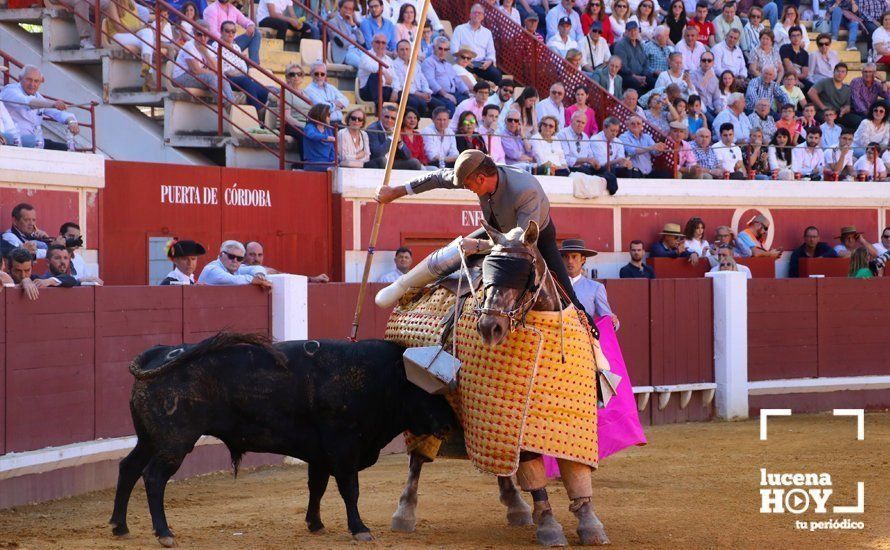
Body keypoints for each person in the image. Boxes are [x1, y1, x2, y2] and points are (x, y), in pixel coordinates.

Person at [374, 149, 594, 319]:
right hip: (498, 229)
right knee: (458, 248)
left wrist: (480, 246)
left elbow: (521, 243)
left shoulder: (526, 190)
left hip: (533, 236)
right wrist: (395, 192)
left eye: (469, 185)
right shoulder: (475, 171)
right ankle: (402, 285)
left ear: (480, 179)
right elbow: (438, 177)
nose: (467, 188)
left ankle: (594, 344)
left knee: (568, 295)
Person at [0, 65, 79, 151]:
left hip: (35, 143)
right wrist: (53, 104)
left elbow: (59, 113)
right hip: (15, 142)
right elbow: (28, 102)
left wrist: (72, 122)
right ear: (20, 78)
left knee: (66, 149)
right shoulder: (10, 90)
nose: (32, 84)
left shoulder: (39, 97)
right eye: (29, 80)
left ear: (41, 82)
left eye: (36, 81)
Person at [171, 20, 236, 105]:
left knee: (221, 76)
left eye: (205, 35)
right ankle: (225, 104)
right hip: (181, 77)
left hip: (197, 76)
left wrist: (205, 52)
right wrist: (214, 73)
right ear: (194, 34)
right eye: (199, 34)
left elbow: (217, 68)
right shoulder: (189, 45)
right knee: (212, 77)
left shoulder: (208, 48)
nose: (203, 38)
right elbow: (195, 70)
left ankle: (233, 104)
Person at [560, 239, 619, 330]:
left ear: (583, 259)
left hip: (584, 340)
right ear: (561, 259)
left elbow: (607, 318)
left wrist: (614, 322)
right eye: (566, 257)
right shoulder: (554, 284)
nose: (570, 261)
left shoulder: (595, 287)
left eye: (574, 256)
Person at [219, 21, 270, 123]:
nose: (231, 34)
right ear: (221, 32)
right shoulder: (216, 46)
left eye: (233, 31)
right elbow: (222, 69)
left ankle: (260, 121)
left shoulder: (236, 47)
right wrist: (236, 71)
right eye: (227, 31)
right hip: (228, 79)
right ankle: (258, 114)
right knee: (246, 80)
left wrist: (238, 70)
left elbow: (243, 67)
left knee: (264, 91)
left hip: (241, 77)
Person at [451, 3, 503, 84]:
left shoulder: (487, 33)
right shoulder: (460, 29)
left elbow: (491, 52)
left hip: (481, 65)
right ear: (470, 15)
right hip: (465, 63)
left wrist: (489, 62)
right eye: (474, 12)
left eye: (479, 13)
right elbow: (454, 50)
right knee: (463, 73)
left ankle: (494, 96)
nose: (477, 15)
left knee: (497, 74)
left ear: (483, 16)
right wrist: (466, 61)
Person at [422, 36, 471, 115]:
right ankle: (451, 127)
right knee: (449, 105)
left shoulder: (448, 65)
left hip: (452, 93)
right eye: (440, 48)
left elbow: (458, 81)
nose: (443, 52)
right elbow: (430, 81)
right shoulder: (428, 62)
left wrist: (467, 92)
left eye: (445, 49)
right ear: (434, 48)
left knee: (468, 102)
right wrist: (445, 94)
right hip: (437, 94)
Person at [365, 104, 424, 169]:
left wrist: (400, 142)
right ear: (381, 116)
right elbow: (378, 154)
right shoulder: (373, 129)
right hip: (376, 162)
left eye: (393, 118)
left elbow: (408, 156)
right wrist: (391, 137)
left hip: (391, 162)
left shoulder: (395, 129)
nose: (389, 120)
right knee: (383, 161)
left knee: (415, 162)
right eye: (386, 117)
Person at [198, 240, 271, 287]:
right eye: (231, 256)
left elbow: (257, 267)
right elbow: (231, 279)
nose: (235, 260)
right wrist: (253, 279)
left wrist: (259, 274)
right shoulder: (212, 269)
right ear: (221, 255)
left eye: (239, 258)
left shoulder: (236, 268)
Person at [807, 63, 854, 128]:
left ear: (846, 74)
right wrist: (823, 107)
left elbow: (847, 106)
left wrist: (845, 109)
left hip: (837, 114)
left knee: (855, 120)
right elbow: (811, 93)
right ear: (833, 72)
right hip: (823, 112)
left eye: (843, 72)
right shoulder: (825, 82)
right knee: (829, 120)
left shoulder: (847, 89)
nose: (840, 73)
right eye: (838, 71)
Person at [303, 61, 349, 125]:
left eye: (322, 74)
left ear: (325, 75)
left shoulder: (331, 87)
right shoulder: (309, 90)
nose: (319, 76)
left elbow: (346, 101)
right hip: (324, 124)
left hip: (339, 122)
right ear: (311, 74)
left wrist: (331, 104)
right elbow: (323, 108)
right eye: (316, 74)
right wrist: (337, 105)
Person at [358, 33, 398, 106]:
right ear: (372, 43)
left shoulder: (389, 60)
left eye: (383, 43)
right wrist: (384, 72)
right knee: (375, 76)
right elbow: (370, 67)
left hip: (384, 90)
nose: (380, 45)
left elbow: (395, 78)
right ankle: (379, 110)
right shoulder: (366, 55)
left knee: (403, 95)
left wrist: (395, 91)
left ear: (386, 45)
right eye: (377, 42)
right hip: (368, 91)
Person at [613, 21, 654, 92]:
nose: (633, 33)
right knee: (634, 82)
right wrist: (636, 77)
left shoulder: (640, 44)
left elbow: (645, 62)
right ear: (626, 32)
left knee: (652, 80)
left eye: (635, 30)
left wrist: (644, 76)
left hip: (640, 74)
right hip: (626, 76)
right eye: (630, 31)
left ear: (638, 31)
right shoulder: (620, 45)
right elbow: (623, 67)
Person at [328, 0, 366, 68]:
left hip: (356, 50)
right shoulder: (333, 22)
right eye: (345, 8)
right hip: (344, 53)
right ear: (339, 8)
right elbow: (342, 42)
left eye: (350, 9)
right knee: (364, 65)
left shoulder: (351, 22)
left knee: (372, 63)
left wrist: (353, 25)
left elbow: (362, 41)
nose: (347, 11)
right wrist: (354, 37)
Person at [557, 111, 598, 175]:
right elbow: (565, 159)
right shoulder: (563, 134)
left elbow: (590, 155)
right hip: (570, 168)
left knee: (606, 173)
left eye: (583, 123)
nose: (580, 125)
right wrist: (585, 160)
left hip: (584, 168)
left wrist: (594, 162)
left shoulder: (585, 137)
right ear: (571, 121)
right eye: (578, 121)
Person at [302, 104, 336, 171]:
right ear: (321, 115)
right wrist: (326, 137)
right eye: (328, 115)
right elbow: (311, 135)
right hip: (313, 162)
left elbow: (332, 148)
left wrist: (333, 160)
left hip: (326, 162)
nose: (330, 118)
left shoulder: (328, 129)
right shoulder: (310, 126)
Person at [689, 52, 723, 118]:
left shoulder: (715, 79)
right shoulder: (693, 74)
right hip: (698, 108)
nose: (706, 62)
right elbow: (696, 91)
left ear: (713, 63)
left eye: (709, 60)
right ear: (700, 62)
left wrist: (718, 109)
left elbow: (716, 98)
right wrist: (706, 78)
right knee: (714, 123)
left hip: (711, 108)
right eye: (704, 60)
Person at [779, 26, 810, 91]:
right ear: (790, 38)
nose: (796, 38)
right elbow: (789, 68)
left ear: (801, 37)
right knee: (798, 88)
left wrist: (797, 77)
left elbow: (804, 74)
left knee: (813, 88)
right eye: (793, 36)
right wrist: (795, 79)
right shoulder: (785, 48)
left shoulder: (805, 54)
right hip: (786, 77)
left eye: (798, 35)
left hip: (799, 78)